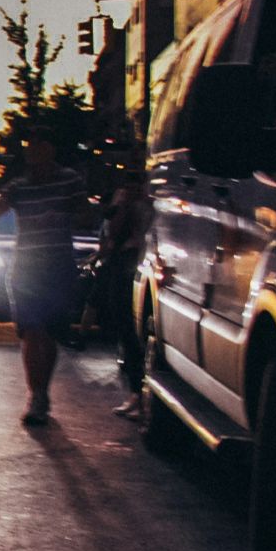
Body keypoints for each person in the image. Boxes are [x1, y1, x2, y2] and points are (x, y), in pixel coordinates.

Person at [0, 125, 86, 426]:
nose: (32, 151)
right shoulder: (19, 186)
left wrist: (64, 215)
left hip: (57, 265)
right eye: (29, 146)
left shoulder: (69, 180)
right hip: (26, 267)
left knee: (50, 332)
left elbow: (85, 214)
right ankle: (35, 395)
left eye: (38, 145)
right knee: (31, 330)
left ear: (50, 149)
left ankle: (43, 390)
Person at [96, 168, 152, 418]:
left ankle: (140, 394)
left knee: (135, 333)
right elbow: (111, 234)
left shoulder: (151, 205)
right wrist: (123, 206)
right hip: (121, 265)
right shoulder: (120, 201)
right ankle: (135, 394)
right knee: (123, 327)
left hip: (139, 267)